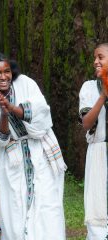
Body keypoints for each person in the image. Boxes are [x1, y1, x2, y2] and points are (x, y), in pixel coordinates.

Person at [0, 52, 66, 240]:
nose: (3, 77)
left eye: (7, 71)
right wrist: (3, 114)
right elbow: (0, 138)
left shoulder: (25, 83)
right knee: (15, 208)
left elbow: (41, 112)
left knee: (47, 205)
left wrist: (11, 108)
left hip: (42, 152)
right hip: (13, 159)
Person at [79, 43, 108, 239]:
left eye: (100, 57)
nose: (95, 62)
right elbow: (86, 123)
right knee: (99, 212)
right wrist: (103, 96)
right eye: (95, 58)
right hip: (99, 155)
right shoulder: (89, 88)